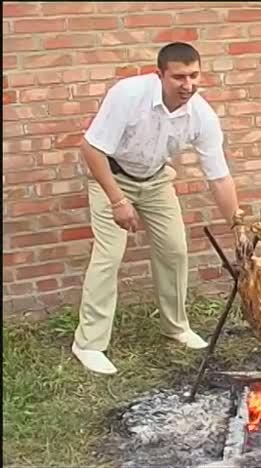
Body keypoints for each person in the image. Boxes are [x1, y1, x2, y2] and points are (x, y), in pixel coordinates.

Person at [71, 42, 239, 375]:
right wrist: (118, 200)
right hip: (110, 175)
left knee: (175, 250)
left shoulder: (201, 114)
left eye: (194, 75)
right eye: (178, 77)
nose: (187, 85)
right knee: (109, 255)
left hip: (156, 179)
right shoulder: (128, 95)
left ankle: (175, 327)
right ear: (159, 74)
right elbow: (90, 148)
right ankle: (88, 344)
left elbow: (219, 177)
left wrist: (239, 227)